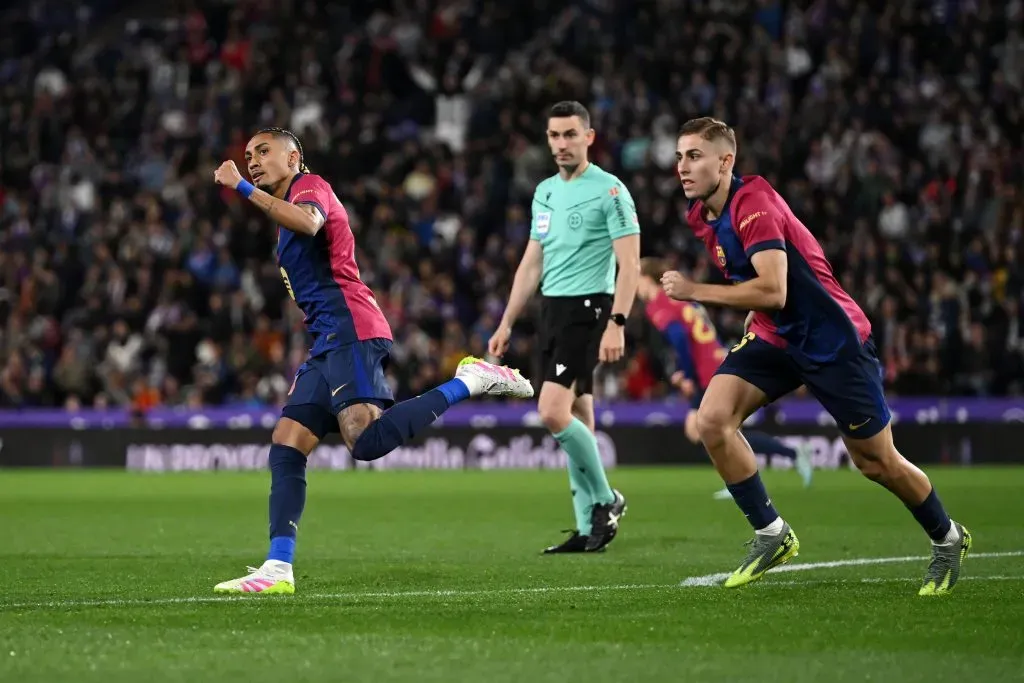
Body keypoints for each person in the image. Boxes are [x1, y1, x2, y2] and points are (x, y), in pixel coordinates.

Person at [211, 127, 534, 594]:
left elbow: (310, 223)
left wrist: (241, 186)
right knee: (287, 442)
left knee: (365, 442)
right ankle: (277, 567)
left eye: (263, 151)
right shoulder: (284, 211)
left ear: (294, 157)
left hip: (351, 327)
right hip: (327, 339)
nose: (253, 161)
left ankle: (471, 380)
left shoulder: (310, 186)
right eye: (247, 156)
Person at [661, 117, 971, 595]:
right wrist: (753, 309)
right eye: (679, 156)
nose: (682, 166)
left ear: (726, 162)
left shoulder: (753, 204)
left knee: (877, 462)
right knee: (712, 420)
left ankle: (947, 538)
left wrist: (695, 291)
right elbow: (758, 280)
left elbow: (775, 289)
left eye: (694, 156)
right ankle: (772, 533)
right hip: (776, 335)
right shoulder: (701, 215)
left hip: (832, 340)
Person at [488, 102, 639, 553]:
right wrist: (507, 321)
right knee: (579, 416)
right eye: (554, 135)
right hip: (552, 311)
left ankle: (607, 499)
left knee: (552, 412)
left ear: (589, 137)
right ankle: (589, 527)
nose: (561, 144)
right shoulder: (545, 192)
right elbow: (531, 263)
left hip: (590, 308)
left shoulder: (610, 190)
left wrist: (617, 322)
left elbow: (630, 264)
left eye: (570, 134)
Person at [636, 257, 813, 497]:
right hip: (715, 360)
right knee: (705, 429)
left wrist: (687, 376)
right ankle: (767, 466)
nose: (635, 286)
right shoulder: (678, 299)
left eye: (637, 279)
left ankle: (747, 477)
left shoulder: (658, 304)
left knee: (714, 430)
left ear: (647, 279)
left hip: (705, 370)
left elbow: (680, 340)